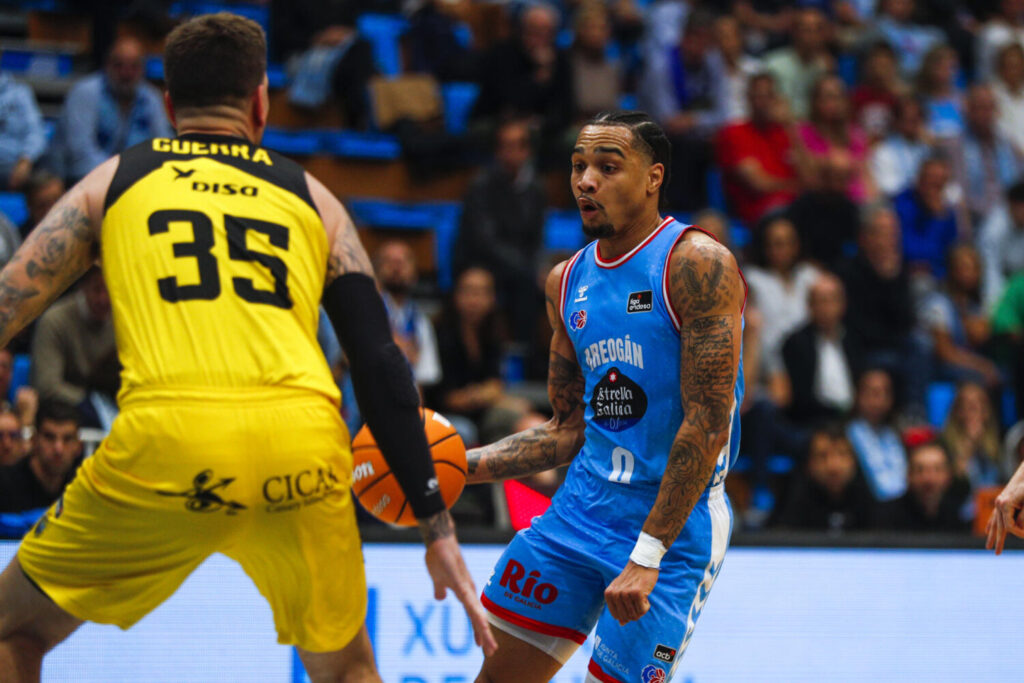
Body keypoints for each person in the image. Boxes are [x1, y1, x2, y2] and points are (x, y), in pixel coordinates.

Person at [0, 14, 494, 681]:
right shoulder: (313, 197)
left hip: (166, 442)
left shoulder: (114, 181)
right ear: (261, 100)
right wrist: (436, 525)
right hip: (301, 448)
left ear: (169, 106)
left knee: (14, 628)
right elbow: (380, 363)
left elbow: (9, 302)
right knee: (347, 665)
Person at [464, 111, 746, 682]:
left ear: (653, 177)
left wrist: (646, 556)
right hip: (578, 513)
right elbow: (565, 431)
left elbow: (708, 425)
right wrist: (451, 467)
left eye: (607, 167)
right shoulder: (565, 281)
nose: (586, 181)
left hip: (670, 530)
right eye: (578, 167)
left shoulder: (696, 264)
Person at [58, 36, 173, 183]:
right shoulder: (85, 92)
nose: (126, 73)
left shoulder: (151, 98)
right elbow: (81, 153)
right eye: (119, 65)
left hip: (136, 182)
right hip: (84, 180)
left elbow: (163, 145)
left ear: (143, 69)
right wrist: (121, 177)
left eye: (134, 66)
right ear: (107, 65)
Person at [30, 266, 119, 428]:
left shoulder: (123, 319)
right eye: (96, 289)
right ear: (82, 287)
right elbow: (47, 386)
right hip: (62, 415)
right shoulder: (55, 320)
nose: (103, 298)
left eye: (108, 289)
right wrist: (89, 403)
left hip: (115, 408)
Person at [715, 73, 802, 227]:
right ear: (748, 98)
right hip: (759, 214)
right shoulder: (734, 133)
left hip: (795, 209)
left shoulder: (786, 133)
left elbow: (810, 178)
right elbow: (759, 184)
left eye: (768, 96)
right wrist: (795, 185)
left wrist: (790, 125)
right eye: (758, 96)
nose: (763, 103)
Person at [780, 273, 863, 426]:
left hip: (853, 419)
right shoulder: (795, 343)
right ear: (810, 306)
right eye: (820, 302)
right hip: (814, 421)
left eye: (832, 300)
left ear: (842, 304)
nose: (826, 308)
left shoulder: (854, 339)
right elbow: (799, 398)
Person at [774, 423, 875, 532]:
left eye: (842, 454)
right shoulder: (793, 499)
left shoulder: (870, 498)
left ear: (854, 460)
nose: (833, 466)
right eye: (822, 456)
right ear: (809, 463)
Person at [373, 240, 441, 390]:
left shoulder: (420, 322)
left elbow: (421, 381)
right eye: (388, 261)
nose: (396, 267)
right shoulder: (363, 311)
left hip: (404, 404)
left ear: (416, 273)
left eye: (404, 261)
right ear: (375, 270)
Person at [0, 400, 82, 513]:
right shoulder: (4, 484)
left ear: (78, 446)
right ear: (34, 440)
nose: (58, 449)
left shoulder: (82, 487)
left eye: (67, 439)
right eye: (49, 437)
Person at [878, 439, 969, 532]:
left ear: (948, 476)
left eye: (937, 470)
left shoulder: (959, 516)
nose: (929, 479)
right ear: (908, 476)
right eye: (920, 470)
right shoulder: (886, 517)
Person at [846, 368, 907, 502]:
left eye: (885, 392)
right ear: (858, 395)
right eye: (872, 392)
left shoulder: (896, 434)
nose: (879, 399)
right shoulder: (846, 435)